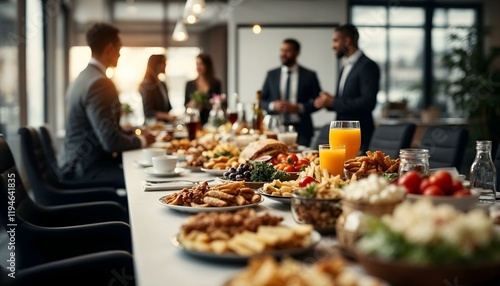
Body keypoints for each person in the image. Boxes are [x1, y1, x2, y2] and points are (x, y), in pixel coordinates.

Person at [61, 22, 155, 188]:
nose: (120, 54)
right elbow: (110, 142)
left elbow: (102, 129)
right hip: (88, 169)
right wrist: (142, 140)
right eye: (119, 48)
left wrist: (131, 132)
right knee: (142, 182)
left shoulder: (83, 77)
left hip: (74, 164)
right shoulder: (100, 83)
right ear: (110, 48)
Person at [314, 24, 380, 153]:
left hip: (359, 136)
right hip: (340, 135)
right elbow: (345, 100)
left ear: (347, 41)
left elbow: (368, 102)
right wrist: (328, 101)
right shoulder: (345, 66)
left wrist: (334, 102)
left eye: (335, 41)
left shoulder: (367, 66)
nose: (333, 46)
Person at [261, 38, 321, 147]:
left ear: (296, 53)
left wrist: (299, 108)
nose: (283, 54)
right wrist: (273, 105)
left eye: (287, 51)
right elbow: (261, 100)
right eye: (281, 50)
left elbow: (319, 102)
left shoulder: (309, 75)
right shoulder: (272, 74)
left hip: (302, 130)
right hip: (276, 129)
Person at [184, 53, 222, 125]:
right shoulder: (189, 84)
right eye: (197, 64)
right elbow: (185, 106)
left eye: (201, 64)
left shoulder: (216, 84)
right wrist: (192, 104)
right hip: (193, 122)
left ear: (207, 66)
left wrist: (205, 105)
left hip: (211, 122)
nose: (199, 67)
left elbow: (219, 105)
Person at [139, 54, 175, 122]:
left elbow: (168, 108)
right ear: (156, 65)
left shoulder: (162, 84)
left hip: (165, 125)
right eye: (163, 63)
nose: (165, 66)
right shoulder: (147, 85)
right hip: (153, 126)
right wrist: (166, 116)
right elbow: (148, 112)